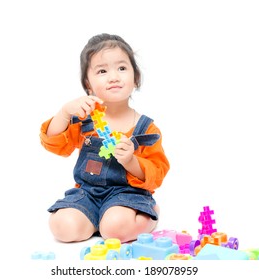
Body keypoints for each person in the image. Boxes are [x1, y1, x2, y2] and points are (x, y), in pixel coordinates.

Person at [40, 33, 170, 243]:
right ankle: (96, 218)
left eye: (122, 68)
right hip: (88, 193)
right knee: (62, 227)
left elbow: (157, 171)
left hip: (128, 195)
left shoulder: (146, 128)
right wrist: (63, 113)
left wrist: (131, 160)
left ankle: (148, 214)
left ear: (135, 78)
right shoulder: (84, 119)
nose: (113, 77)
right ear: (88, 84)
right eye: (102, 71)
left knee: (115, 229)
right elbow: (54, 144)